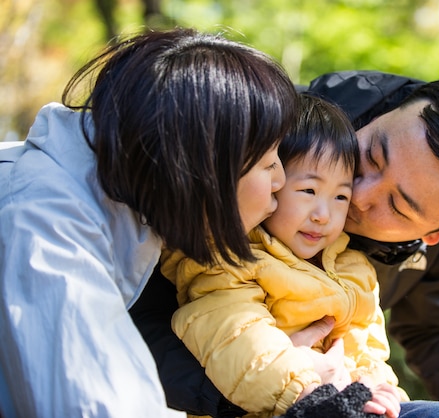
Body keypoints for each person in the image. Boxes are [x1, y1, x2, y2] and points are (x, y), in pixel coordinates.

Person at [131, 72, 439, 418]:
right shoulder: (270, 137)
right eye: (371, 155)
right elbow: (137, 310)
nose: (358, 195)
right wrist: (278, 384)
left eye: (398, 207)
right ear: (386, 113)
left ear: (437, 233)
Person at [0, 28, 298, 417]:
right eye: (266, 160)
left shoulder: (118, 208)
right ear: (200, 163)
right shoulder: (48, 227)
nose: (281, 181)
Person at [160, 94, 439, 418]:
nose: (325, 214)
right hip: (284, 403)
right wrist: (306, 391)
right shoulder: (231, 258)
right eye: (308, 191)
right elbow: (236, 334)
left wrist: (378, 386)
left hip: (348, 400)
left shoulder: (354, 267)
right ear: (272, 177)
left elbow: (367, 347)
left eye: (340, 195)